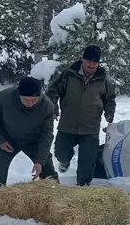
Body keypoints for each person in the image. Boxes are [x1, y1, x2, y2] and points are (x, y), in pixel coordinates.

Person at [45, 45, 117, 186]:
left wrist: (109, 114)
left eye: (95, 62)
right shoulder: (68, 75)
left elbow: (110, 99)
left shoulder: (102, 79)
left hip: (90, 127)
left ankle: (83, 188)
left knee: (87, 163)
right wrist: (53, 107)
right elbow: (52, 91)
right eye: (89, 61)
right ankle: (65, 161)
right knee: (61, 153)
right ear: (82, 60)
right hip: (67, 124)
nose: (92, 65)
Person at [0, 77, 58, 208]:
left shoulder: (47, 105)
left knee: (47, 168)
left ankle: (56, 198)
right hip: (8, 139)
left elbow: (47, 134)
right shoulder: (4, 97)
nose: (30, 103)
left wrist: (40, 160)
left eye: (33, 100)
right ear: (18, 94)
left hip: (34, 140)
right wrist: (0, 140)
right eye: (26, 99)